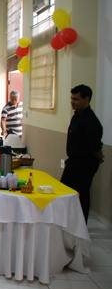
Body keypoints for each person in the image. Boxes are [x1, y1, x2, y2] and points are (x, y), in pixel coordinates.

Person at [61, 84, 104, 221]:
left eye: (76, 99)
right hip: (73, 162)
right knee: (64, 191)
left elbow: (95, 147)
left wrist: (98, 155)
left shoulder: (91, 121)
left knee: (82, 195)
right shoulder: (76, 116)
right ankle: (67, 221)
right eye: (71, 98)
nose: (72, 102)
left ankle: (81, 226)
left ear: (87, 99)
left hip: (85, 165)